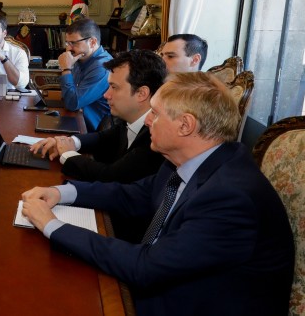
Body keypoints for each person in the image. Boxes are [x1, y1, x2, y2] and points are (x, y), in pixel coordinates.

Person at [21, 72, 294, 315]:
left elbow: (146, 269)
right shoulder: (187, 161)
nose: (147, 121)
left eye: (155, 113)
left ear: (185, 125)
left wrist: (51, 225)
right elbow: (132, 195)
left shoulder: (230, 198)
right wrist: (61, 192)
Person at [31, 49, 166, 183]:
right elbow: (103, 138)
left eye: (114, 87)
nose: (106, 95)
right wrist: (69, 142)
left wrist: (67, 154)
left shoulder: (156, 136)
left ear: (141, 93)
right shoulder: (131, 120)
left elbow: (110, 177)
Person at [57, 18, 113, 131]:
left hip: (91, 132)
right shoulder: (81, 58)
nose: (68, 48)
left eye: (73, 43)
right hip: (77, 120)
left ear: (92, 42)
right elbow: (68, 97)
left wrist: (66, 68)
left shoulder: (103, 66)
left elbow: (72, 103)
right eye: (67, 43)